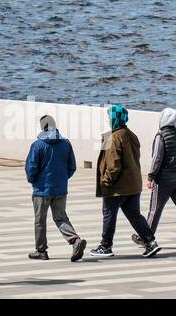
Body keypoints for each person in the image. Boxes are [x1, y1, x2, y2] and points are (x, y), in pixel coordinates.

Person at [90, 104, 161, 258]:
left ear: (114, 118)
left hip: (117, 187)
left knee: (109, 214)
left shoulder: (113, 137)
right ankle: (150, 242)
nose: (109, 119)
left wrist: (106, 182)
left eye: (110, 117)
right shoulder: (131, 135)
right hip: (133, 184)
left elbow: (113, 164)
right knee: (134, 215)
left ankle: (105, 246)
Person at [133, 107, 176, 252]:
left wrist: (151, 177)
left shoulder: (160, 136)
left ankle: (146, 238)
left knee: (155, 210)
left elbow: (157, 158)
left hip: (164, 181)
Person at [24, 114, 87, 262]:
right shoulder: (65, 143)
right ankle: (74, 240)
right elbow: (72, 166)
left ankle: (41, 251)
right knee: (61, 217)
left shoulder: (38, 145)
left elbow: (31, 168)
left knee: (40, 220)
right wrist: (62, 179)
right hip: (60, 189)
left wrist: (33, 181)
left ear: (42, 127)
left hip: (41, 189)